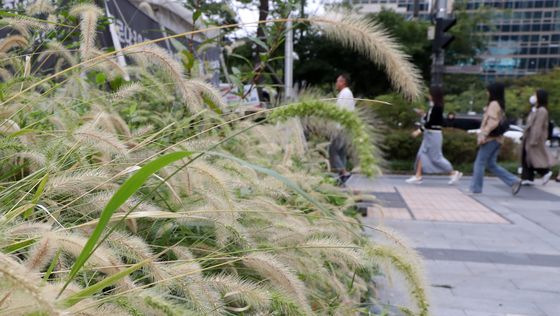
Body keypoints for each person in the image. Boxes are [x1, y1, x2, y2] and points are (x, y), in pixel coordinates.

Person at [469, 82, 522, 195]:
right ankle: (513, 181)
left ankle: (476, 189)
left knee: (479, 162)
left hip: (490, 139)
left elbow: (492, 122)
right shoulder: (499, 104)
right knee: (491, 164)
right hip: (497, 139)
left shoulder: (493, 104)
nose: (487, 93)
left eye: (488, 90)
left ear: (493, 92)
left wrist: (483, 134)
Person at [406, 86, 462, 184]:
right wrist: (423, 114)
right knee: (421, 154)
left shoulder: (437, 107)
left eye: (430, 94)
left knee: (436, 157)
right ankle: (418, 176)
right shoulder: (434, 107)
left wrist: (419, 131)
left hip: (434, 135)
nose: (428, 96)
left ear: (434, 95)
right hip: (429, 135)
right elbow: (429, 119)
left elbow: (431, 122)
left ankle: (453, 172)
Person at [521, 89, 553, 185]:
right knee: (527, 157)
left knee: (534, 157)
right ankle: (527, 177)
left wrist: (533, 140)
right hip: (530, 137)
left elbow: (537, 126)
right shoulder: (536, 109)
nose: (533, 97)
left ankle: (545, 172)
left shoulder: (542, 111)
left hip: (535, 139)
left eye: (535, 95)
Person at [330, 73, 355, 185]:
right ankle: (342, 178)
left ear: (343, 82)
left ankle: (344, 172)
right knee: (342, 153)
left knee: (333, 151)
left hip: (341, 127)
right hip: (346, 127)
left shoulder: (344, 93)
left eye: (337, 81)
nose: (336, 83)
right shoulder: (347, 93)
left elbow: (340, 112)